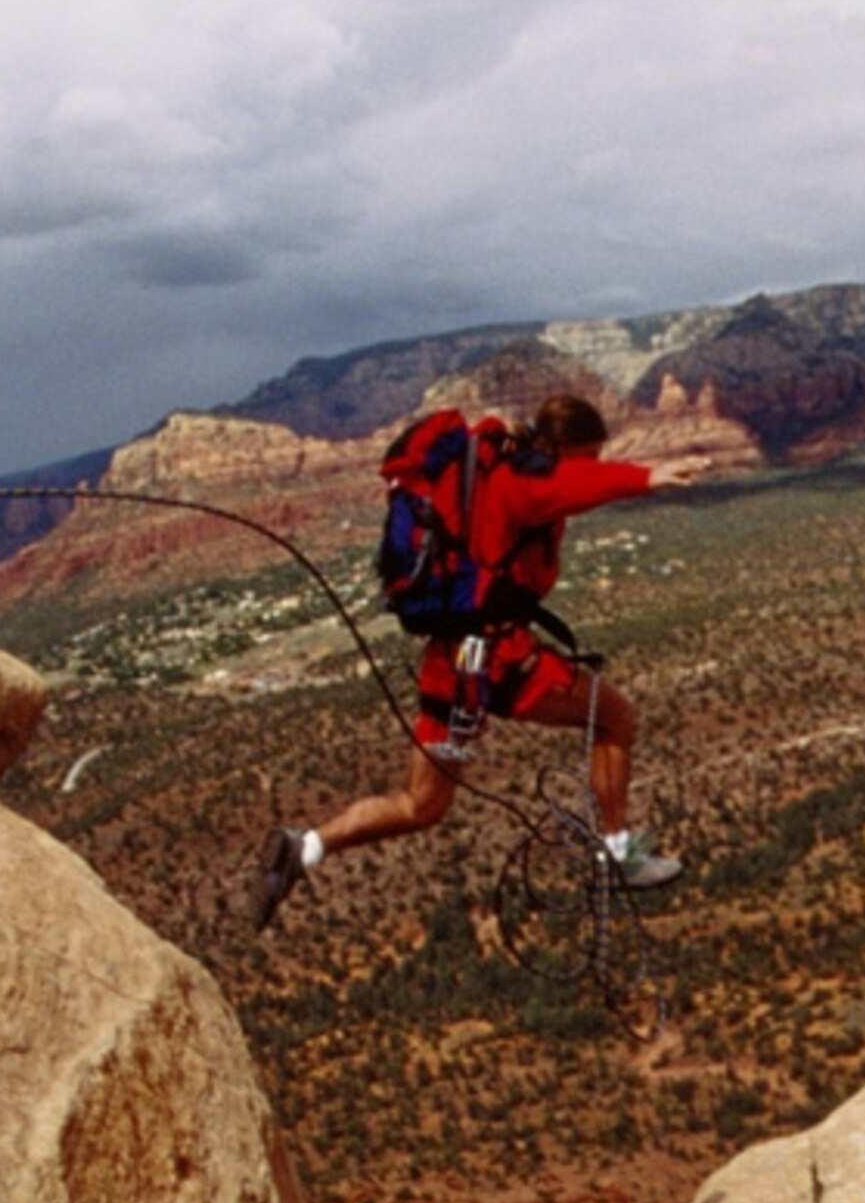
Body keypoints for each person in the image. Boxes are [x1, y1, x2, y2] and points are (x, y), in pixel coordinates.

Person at [252, 392, 700, 930]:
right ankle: (617, 854)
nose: (594, 466)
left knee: (422, 804)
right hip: (500, 663)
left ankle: (305, 848)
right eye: (590, 456)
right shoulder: (524, 482)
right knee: (614, 717)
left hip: (453, 661)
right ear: (565, 451)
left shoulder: (492, 470)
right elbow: (576, 485)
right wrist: (648, 477)